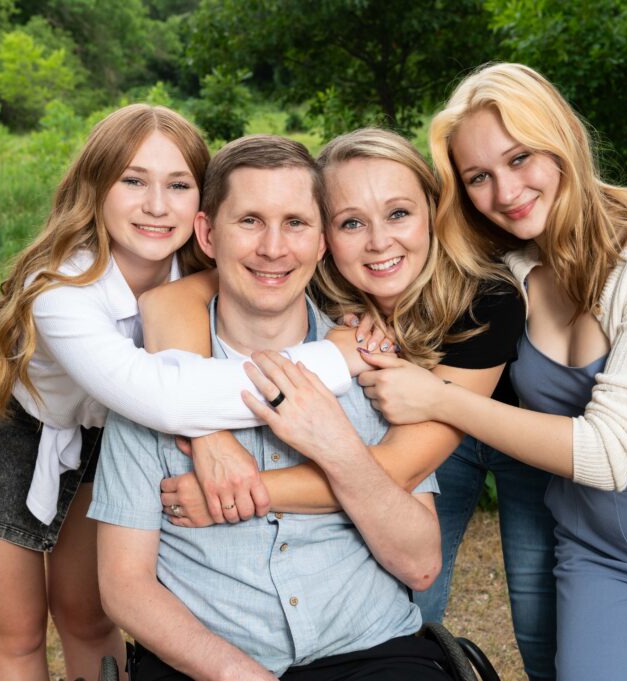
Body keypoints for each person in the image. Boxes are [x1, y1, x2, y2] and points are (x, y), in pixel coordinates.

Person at [337, 62, 627, 680]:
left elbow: (611, 454)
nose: (505, 192)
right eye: (479, 176)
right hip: (597, 551)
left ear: (565, 142)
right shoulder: (507, 267)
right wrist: (360, 319)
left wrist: (439, 399)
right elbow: (400, 265)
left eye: (521, 157)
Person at [0, 106, 355, 681]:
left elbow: (288, 287)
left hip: (111, 432)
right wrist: (333, 359)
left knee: (88, 613)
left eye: (178, 185)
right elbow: (164, 394)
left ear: (203, 208)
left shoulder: (204, 269)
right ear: (94, 188)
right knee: (18, 628)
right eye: (132, 181)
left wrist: (353, 323)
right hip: (2, 418)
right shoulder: (58, 289)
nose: (156, 205)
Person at [151, 129, 557, 679]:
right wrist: (208, 433)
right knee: (414, 600)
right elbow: (170, 301)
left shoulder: (484, 296)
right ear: (323, 236)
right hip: (397, 431)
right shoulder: (311, 278)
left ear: (433, 215)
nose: (377, 242)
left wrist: (232, 493)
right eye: (350, 223)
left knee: (538, 614)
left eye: (398, 214)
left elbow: (392, 469)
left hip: (498, 426)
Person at [89, 134, 450, 681]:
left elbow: (421, 565)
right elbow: (125, 587)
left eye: (296, 223)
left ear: (323, 241)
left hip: (373, 652)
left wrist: (336, 445)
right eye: (250, 221)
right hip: (209, 664)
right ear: (207, 234)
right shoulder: (149, 387)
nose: (274, 248)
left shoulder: (378, 366)